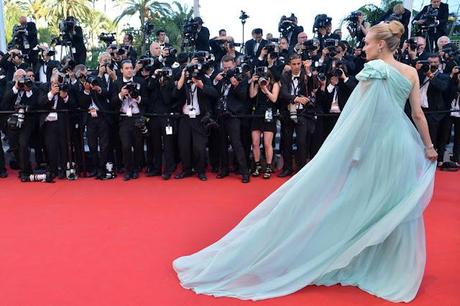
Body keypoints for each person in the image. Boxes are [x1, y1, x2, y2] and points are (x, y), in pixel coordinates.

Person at [173, 21, 438, 303]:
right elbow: (418, 115)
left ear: (382, 44)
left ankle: (356, 258)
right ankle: (391, 268)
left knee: (362, 203)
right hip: (400, 145)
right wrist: (429, 147)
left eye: (368, 43)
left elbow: (357, 118)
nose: (363, 47)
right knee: (391, 205)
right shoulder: (410, 72)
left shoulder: (374, 70)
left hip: (377, 147)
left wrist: (341, 150)